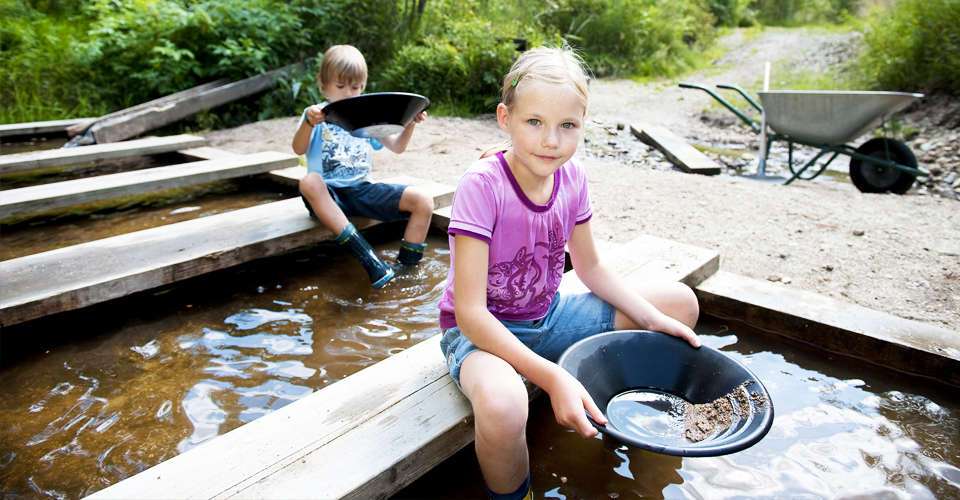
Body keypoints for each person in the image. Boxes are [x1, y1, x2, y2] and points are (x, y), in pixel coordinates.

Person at [436, 47, 702, 500]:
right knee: (504, 404)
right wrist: (552, 377)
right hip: (482, 335)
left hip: (551, 317)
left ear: (583, 124)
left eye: (568, 126)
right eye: (534, 122)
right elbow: (470, 313)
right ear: (505, 118)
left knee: (679, 303)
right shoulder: (482, 185)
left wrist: (652, 319)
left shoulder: (573, 177)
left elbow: (591, 267)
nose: (551, 141)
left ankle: (620, 421)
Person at [292, 44, 432, 288]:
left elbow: (397, 147)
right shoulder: (315, 115)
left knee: (423, 201)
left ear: (363, 86)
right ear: (323, 85)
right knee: (309, 181)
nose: (348, 93)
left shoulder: (367, 115)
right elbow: (297, 148)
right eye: (340, 86)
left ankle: (406, 271)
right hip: (327, 195)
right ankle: (370, 260)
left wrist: (410, 122)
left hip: (360, 191)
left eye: (355, 87)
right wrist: (308, 123)